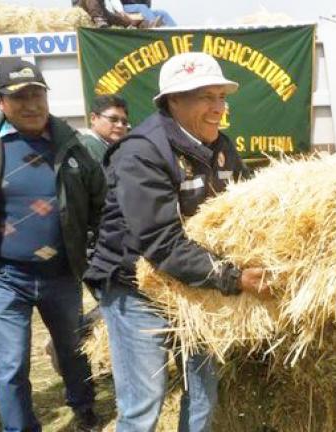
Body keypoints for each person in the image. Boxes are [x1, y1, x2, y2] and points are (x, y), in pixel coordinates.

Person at [84, 52, 265, 431]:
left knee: (203, 392)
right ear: (173, 101)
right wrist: (233, 278)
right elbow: (160, 240)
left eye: (221, 96)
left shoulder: (221, 147)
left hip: (194, 283)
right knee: (143, 405)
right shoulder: (141, 152)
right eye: (205, 97)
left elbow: (249, 202)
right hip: (136, 286)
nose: (217, 108)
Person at [0, 59, 106, 432]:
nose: (31, 104)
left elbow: (103, 207)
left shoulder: (75, 147)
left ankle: (84, 407)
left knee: (73, 351)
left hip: (62, 274)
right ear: (0, 102)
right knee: (10, 364)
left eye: (37, 94)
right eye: (19, 97)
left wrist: (102, 261)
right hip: (5, 276)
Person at [79, 94, 130, 163]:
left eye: (124, 122)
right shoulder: (87, 146)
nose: (120, 125)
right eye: (113, 119)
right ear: (93, 118)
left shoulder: (110, 148)